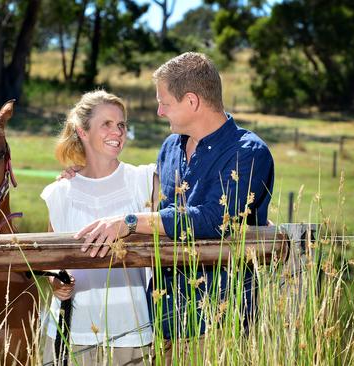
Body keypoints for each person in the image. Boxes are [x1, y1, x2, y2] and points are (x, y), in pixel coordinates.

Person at [75, 52, 275, 361]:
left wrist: (129, 222)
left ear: (192, 102)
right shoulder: (170, 147)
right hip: (162, 316)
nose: (158, 111)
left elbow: (212, 220)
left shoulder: (249, 153)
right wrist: (80, 174)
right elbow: (146, 196)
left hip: (219, 321)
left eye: (164, 103)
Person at [41, 90, 155, 365]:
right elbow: (50, 259)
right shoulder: (60, 192)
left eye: (121, 125)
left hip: (132, 332)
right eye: (107, 124)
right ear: (82, 131)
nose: (117, 131)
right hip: (69, 333)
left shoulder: (144, 180)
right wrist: (55, 281)